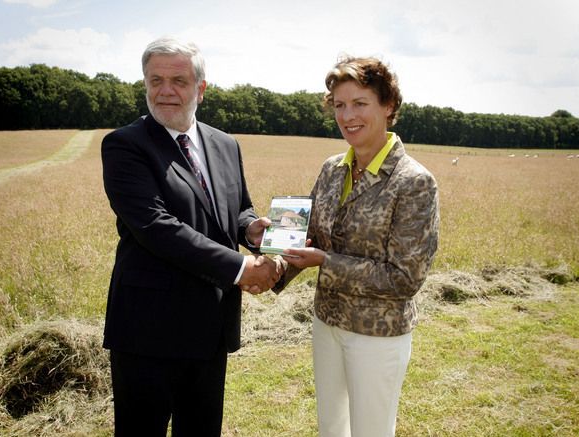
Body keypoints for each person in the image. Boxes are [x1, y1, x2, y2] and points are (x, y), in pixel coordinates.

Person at [101, 36, 281, 436]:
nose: (165, 91)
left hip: (210, 328)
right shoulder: (124, 146)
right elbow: (156, 227)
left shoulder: (225, 144)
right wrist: (241, 267)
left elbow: (236, 209)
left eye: (178, 80)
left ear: (200, 87)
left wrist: (250, 229)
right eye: (155, 80)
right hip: (148, 332)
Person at [274, 56, 440, 437]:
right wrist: (273, 263)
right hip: (327, 321)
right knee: (332, 427)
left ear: (388, 106)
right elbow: (308, 236)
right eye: (339, 105)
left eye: (360, 103)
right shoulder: (332, 167)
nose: (347, 115)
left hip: (377, 332)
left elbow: (404, 278)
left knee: (371, 431)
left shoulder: (414, 182)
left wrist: (325, 261)